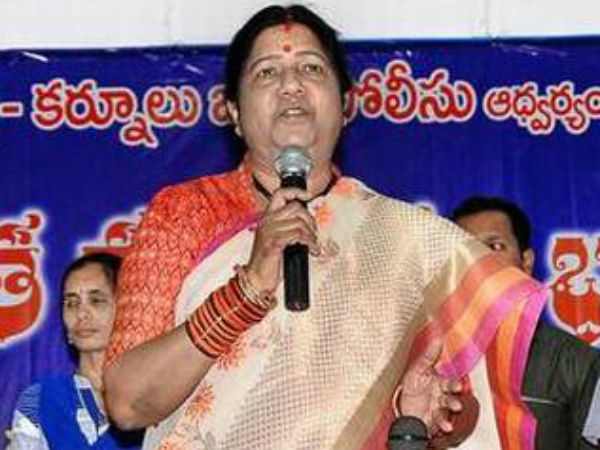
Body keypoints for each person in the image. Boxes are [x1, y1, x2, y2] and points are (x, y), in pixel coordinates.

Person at [103, 5, 547, 450]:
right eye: (267, 72)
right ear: (234, 111)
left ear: (346, 104)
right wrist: (249, 288)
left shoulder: (397, 238)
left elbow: (464, 413)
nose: (291, 85)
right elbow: (127, 403)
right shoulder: (185, 213)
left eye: (311, 68)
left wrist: (422, 413)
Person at [451, 195, 600, 450]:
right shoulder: (427, 359)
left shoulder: (576, 362)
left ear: (526, 261)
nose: (480, 260)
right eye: (467, 249)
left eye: (495, 246)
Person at [5, 253, 143, 450]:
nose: (81, 314)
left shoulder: (157, 393)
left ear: (128, 308)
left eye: (96, 301)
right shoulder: (42, 399)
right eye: (72, 303)